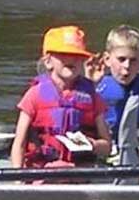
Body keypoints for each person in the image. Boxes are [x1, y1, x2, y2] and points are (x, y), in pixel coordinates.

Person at [10, 26, 112, 170]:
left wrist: (93, 145)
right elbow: (19, 142)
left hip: (80, 173)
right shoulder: (34, 95)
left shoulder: (92, 97)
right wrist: (17, 178)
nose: (72, 59)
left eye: (78, 56)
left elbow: (107, 147)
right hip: (43, 171)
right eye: (63, 54)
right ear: (48, 61)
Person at [92, 25, 139, 183]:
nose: (126, 67)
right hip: (102, 161)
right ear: (107, 59)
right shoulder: (95, 90)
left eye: (133, 61)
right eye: (121, 59)